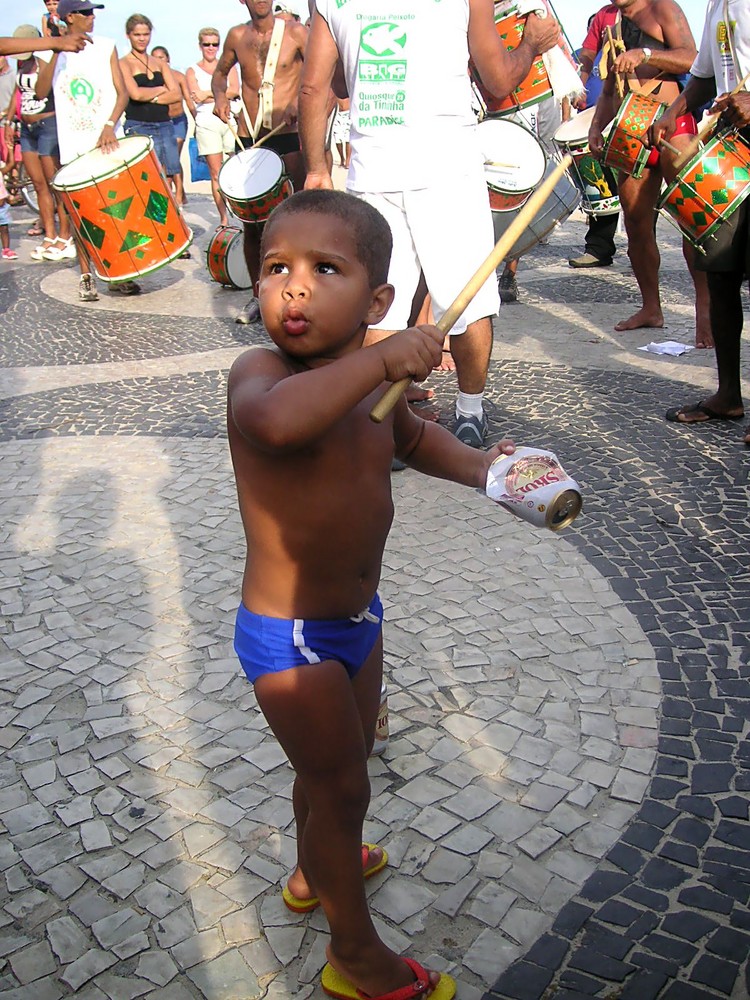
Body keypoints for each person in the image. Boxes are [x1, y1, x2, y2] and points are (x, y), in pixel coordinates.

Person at [228, 187, 514, 1000]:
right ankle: (354, 956)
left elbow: (419, 443)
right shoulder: (264, 374)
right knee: (343, 786)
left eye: (326, 269)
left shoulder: (372, 391)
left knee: (334, 768)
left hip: (358, 621)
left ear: (378, 298)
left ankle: (315, 866)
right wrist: (381, 359)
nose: (294, 287)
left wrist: (493, 469)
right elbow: (278, 425)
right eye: (276, 268)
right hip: (289, 638)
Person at [299, 0, 560, 446]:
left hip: (373, 172)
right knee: (468, 300)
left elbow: (317, 87)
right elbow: (498, 80)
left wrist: (317, 167)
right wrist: (532, 44)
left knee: (381, 304)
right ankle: (470, 414)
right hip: (449, 172)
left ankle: (386, 425)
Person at [649, 0, 750, 446]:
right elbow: (707, 73)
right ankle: (728, 393)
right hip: (733, 147)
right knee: (721, 271)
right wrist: (675, 110)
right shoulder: (718, 4)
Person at [587, 0, 712, 347]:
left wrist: (645, 54)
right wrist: (597, 126)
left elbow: (694, 58)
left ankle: (705, 309)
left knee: (692, 215)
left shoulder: (662, 8)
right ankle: (651, 308)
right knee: (636, 221)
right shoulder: (609, 22)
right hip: (630, 130)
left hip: (672, 123)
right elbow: (610, 87)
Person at [212, 0, 309, 325]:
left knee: (296, 220)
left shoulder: (295, 33)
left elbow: (322, 72)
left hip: (288, 134)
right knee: (253, 226)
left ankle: (301, 293)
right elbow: (220, 74)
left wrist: (300, 99)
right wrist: (221, 97)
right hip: (250, 137)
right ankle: (258, 297)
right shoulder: (237, 36)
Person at [35, 0, 133, 302]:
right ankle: (87, 274)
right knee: (81, 216)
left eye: (93, 12)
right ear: (69, 18)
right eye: (86, 13)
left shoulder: (106, 46)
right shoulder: (51, 50)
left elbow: (122, 93)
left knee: (117, 211)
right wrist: (55, 50)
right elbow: (40, 92)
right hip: (74, 146)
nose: (92, 17)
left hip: (108, 142)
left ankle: (118, 273)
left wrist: (108, 125)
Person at [11, 24, 74, 262]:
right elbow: (17, 96)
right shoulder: (21, 65)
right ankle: (49, 234)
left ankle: (65, 235)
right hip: (27, 129)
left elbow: (41, 92)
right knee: (38, 184)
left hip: (47, 125)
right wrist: (11, 121)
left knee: (54, 183)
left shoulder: (45, 64)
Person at [569, 10, 619, 269]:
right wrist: (580, 85)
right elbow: (588, 54)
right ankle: (599, 247)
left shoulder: (657, 9)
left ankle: (643, 249)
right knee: (601, 181)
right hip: (597, 110)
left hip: (636, 110)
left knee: (640, 189)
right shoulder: (604, 16)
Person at [120, 15, 182, 203]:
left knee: (169, 172)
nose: (141, 38)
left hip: (164, 123)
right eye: (137, 34)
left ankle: (167, 216)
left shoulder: (159, 63)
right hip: (138, 124)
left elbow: (176, 94)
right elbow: (135, 94)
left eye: (145, 34)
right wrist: (161, 91)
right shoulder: (124, 63)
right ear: (128, 36)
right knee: (146, 177)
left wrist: (150, 96)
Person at [185, 28, 240, 229]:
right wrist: (221, 93)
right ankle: (224, 218)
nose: (211, 48)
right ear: (200, 46)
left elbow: (235, 90)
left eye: (215, 44)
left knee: (236, 169)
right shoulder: (192, 70)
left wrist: (208, 93)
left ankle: (240, 211)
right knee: (216, 173)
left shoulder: (228, 67)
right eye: (206, 44)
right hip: (207, 121)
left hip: (228, 119)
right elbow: (194, 96)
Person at [151, 44, 191, 208]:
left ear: (167, 58)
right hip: (162, 122)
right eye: (154, 57)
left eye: (161, 57)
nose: (158, 61)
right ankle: (177, 192)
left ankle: (179, 195)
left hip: (179, 120)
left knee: (173, 155)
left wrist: (197, 117)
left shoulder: (178, 76)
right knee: (169, 160)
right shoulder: (154, 80)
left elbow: (188, 98)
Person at [0, 147, 18, 260]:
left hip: (2, 207)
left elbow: (11, 164)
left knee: (4, 228)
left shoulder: (0, 172)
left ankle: (6, 249)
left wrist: (10, 150)